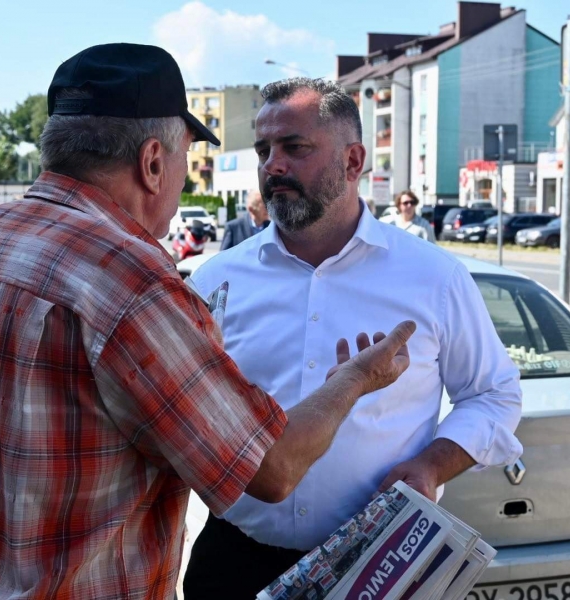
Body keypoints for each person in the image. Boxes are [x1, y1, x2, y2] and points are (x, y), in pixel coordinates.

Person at [0, 44, 416, 600]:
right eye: (184, 158)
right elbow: (272, 468)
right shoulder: (129, 280)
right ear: (152, 162)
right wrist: (356, 379)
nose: (182, 182)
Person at [183, 78, 523, 599]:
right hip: (234, 562)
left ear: (353, 160)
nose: (273, 166)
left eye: (295, 147)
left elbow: (494, 394)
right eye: (263, 150)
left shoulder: (433, 277)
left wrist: (431, 467)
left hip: (377, 565)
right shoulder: (217, 279)